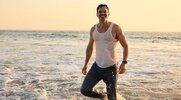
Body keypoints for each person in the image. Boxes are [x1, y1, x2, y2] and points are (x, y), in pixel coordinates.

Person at [80, 4, 128, 100]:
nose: (102, 13)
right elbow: (90, 48)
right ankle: (103, 96)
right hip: (97, 67)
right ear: (97, 14)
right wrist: (85, 65)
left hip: (111, 68)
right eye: (100, 12)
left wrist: (124, 63)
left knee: (112, 98)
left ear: (108, 13)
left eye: (104, 11)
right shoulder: (93, 29)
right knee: (85, 90)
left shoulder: (115, 28)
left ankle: (109, 96)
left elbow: (125, 46)